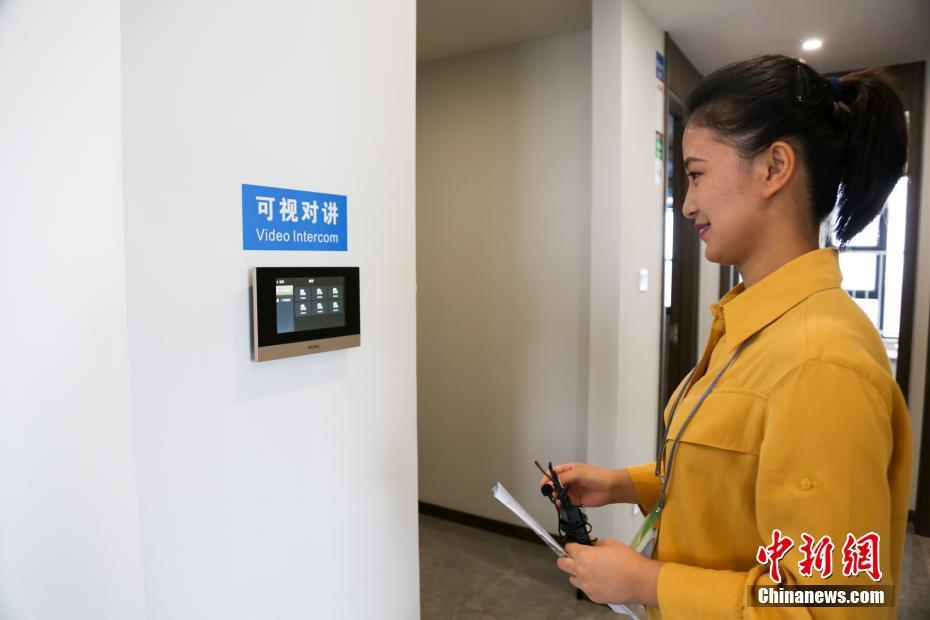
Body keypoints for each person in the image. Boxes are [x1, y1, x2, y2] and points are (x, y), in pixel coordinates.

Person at [545, 55, 912, 618]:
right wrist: (621, 484)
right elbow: (734, 480)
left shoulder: (820, 361)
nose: (687, 203)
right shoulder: (753, 326)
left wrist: (647, 581)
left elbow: (831, 605)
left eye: (696, 174)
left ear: (774, 167)